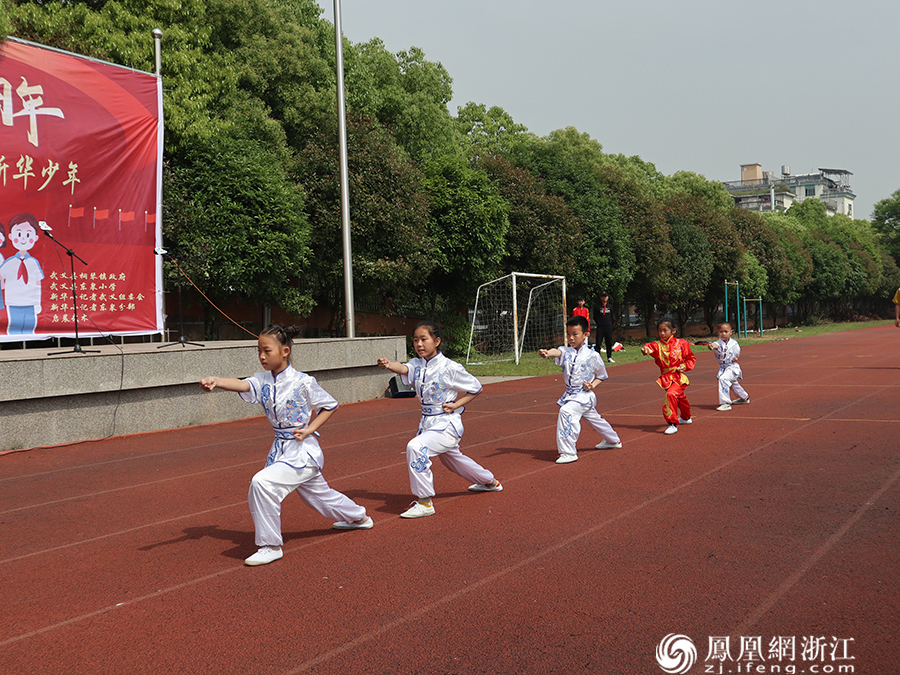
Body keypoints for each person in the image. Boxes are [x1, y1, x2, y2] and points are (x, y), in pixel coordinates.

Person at [199, 324, 373, 566]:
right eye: (258, 350)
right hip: (281, 450)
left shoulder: (303, 382)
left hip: (303, 451)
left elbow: (330, 405)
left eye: (267, 351)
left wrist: (311, 428)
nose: (261, 356)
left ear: (285, 351)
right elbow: (242, 385)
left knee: (262, 483)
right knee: (320, 497)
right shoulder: (262, 381)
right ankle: (360, 517)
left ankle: (270, 545)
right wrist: (216, 381)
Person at [377, 321, 502, 518]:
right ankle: (490, 481)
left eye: (423, 339)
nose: (419, 344)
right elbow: (402, 369)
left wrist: (457, 404)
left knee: (415, 448)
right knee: (453, 459)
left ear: (436, 341)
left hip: (446, 424)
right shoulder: (417, 364)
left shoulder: (450, 367)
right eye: (415, 340)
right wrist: (387, 365)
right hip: (428, 423)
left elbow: (476, 387)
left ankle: (425, 502)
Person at [539, 315, 622, 464]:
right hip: (571, 395)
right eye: (568, 334)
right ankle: (613, 440)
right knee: (595, 419)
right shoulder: (566, 352)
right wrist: (547, 352)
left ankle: (568, 452)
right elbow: (557, 352)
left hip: (584, 396)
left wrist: (592, 385)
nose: (571, 338)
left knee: (566, 411)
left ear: (585, 335)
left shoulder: (593, 355)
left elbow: (602, 375)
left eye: (575, 334)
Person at [641, 319, 697, 435]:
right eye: (660, 331)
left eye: (665, 330)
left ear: (673, 331)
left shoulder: (681, 343)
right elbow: (649, 347)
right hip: (666, 377)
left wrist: (684, 366)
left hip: (678, 377)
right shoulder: (657, 345)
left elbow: (691, 358)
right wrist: (645, 349)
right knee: (679, 397)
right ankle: (686, 417)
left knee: (671, 394)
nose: (662, 333)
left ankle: (672, 423)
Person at [0, 213, 44, 335]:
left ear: (35, 237)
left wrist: (37, 303)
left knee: (30, 326)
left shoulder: (33, 262)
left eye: (28, 234)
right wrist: (3, 285)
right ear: (10, 236)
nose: (23, 239)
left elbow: (38, 283)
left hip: (30, 302)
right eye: (18, 234)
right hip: (13, 301)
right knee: (14, 327)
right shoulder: (9, 262)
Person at [708, 322, 750, 411]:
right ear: (718, 333)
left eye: (726, 331)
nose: (723, 334)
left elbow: (737, 353)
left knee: (723, 379)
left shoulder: (734, 343)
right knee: (733, 384)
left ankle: (725, 403)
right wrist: (712, 346)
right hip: (723, 368)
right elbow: (715, 346)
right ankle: (744, 397)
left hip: (732, 367)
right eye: (721, 331)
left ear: (730, 332)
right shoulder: (717, 343)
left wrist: (736, 357)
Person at [592, 291, 615, 363]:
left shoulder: (610, 306)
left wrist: (611, 324)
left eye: (605, 296)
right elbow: (595, 316)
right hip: (600, 327)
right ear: (600, 297)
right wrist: (599, 323)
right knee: (598, 342)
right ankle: (597, 358)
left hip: (608, 327)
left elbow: (612, 316)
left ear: (607, 297)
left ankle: (609, 357)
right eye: (603, 296)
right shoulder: (597, 306)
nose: (604, 298)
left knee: (609, 342)